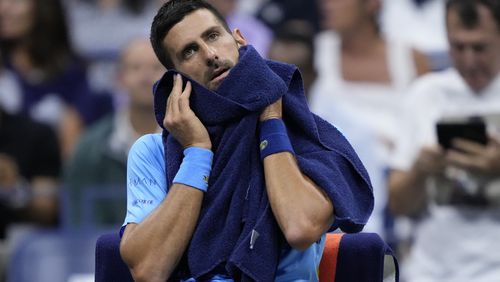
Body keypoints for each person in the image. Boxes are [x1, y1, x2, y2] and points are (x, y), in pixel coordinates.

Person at [119, 0, 374, 281]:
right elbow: (148, 270)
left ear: (239, 39)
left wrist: (271, 123)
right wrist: (197, 152)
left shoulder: (303, 134)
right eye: (189, 51)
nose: (210, 54)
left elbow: (300, 227)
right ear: (176, 79)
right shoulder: (152, 151)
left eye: (213, 35)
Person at [388, 0, 500, 281]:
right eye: (457, 47)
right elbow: (397, 203)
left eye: (480, 47)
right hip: (432, 270)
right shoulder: (425, 94)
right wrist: (421, 170)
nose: (469, 60)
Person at [309, 0, 429, 239]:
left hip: (401, 197)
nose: (326, 5)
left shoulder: (412, 58)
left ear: (372, 4)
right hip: (331, 194)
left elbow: (427, 129)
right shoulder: (314, 54)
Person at [63, 38, 163, 228]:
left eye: (156, 68)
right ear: (120, 79)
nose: (146, 77)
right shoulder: (89, 146)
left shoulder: (186, 141)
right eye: (135, 68)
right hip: (104, 252)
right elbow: (78, 220)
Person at [0, 0, 110, 160]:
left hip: (55, 171)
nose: (3, 8)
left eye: (15, 1)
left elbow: (77, 141)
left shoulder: (75, 73)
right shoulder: (5, 65)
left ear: (44, 7)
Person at [267, 20, 317, 99]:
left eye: (297, 41)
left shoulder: (320, 82)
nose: (289, 49)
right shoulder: (263, 79)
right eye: (285, 41)